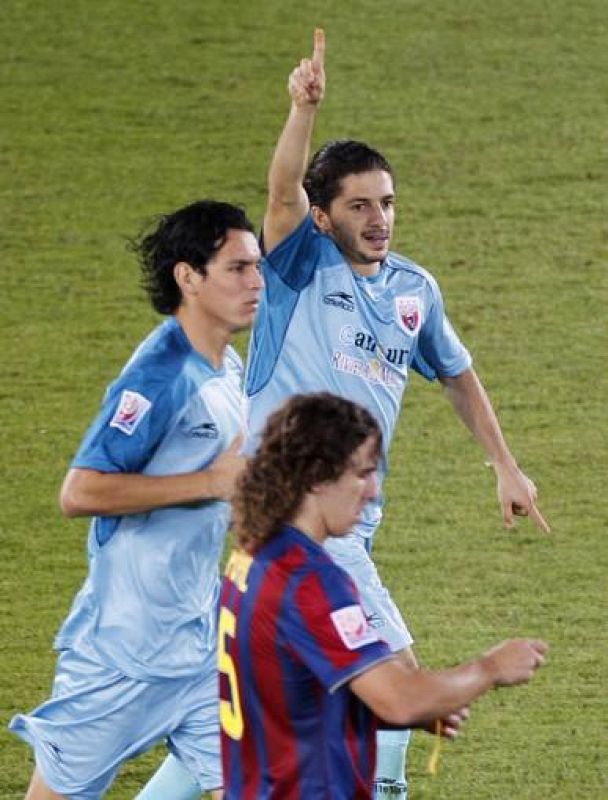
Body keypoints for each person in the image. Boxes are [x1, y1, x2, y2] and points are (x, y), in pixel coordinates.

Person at [242, 28, 550, 799]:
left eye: (387, 203)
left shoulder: (414, 288)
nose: (379, 219)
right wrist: (300, 109)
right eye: (359, 206)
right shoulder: (297, 269)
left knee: (271, 706)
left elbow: (456, 373)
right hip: (297, 511)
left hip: (347, 519)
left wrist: (504, 463)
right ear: (323, 216)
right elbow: (280, 193)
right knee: (401, 682)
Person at [9, 200, 263, 800]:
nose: (256, 282)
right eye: (236, 268)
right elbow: (81, 491)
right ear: (188, 277)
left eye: (256, 266)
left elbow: (231, 481)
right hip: (122, 659)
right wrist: (210, 483)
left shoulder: (227, 365)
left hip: (199, 650)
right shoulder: (159, 377)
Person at [219, 392, 547, 799]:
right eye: (361, 474)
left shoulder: (251, 557)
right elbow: (399, 700)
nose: (373, 490)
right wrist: (490, 668)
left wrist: (414, 711)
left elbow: (293, 695)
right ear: (317, 477)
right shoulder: (310, 581)